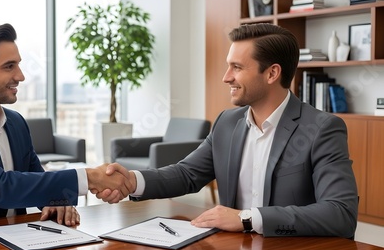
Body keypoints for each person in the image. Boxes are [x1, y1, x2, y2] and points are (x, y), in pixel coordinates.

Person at [97, 23, 358, 238]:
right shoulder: (227, 123)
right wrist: (133, 181)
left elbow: (340, 213)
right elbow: (187, 173)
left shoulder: (321, 128)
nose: (226, 77)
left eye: (237, 67)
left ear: (272, 73)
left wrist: (246, 218)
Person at [0, 22, 132, 227]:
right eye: (9, 66)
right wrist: (90, 177)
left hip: (14, 238)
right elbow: (1, 187)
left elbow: (35, 180)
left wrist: (54, 200)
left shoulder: (16, 122)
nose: (20, 76)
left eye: (18, 65)